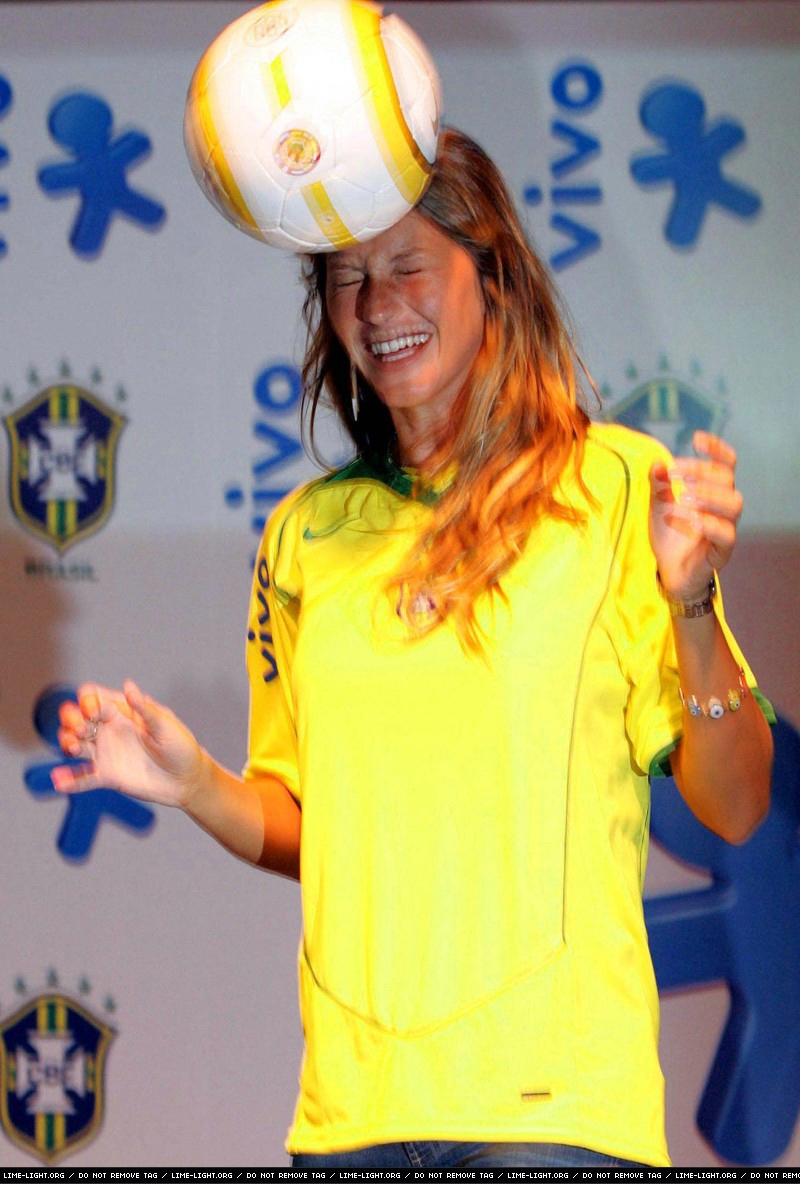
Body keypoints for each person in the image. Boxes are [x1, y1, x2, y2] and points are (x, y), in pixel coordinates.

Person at [54, 128, 774, 1169]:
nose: (377, 305)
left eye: (407, 266)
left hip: (555, 1115)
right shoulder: (304, 534)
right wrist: (195, 782)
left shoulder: (617, 486)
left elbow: (736, 803)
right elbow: (316, 832)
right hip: (352, 1118)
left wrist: (691, 600)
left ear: (491, 276)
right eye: (347, 278)